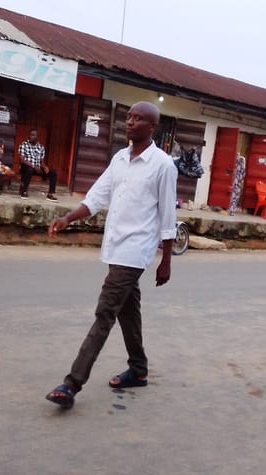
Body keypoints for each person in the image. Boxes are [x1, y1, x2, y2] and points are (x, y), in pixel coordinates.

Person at [45, 101, 178, 409]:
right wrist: (67, 218)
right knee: (128, 311)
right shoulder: (120, 158)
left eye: (139, 118)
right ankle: (139, 369)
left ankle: (71, 384)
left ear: (152, 127)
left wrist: (166, 259)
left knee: (105, 312)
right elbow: (97, 196)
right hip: (116, 246)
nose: (130, 122)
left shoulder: (162, 165)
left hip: (136, 250)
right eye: (129, 116)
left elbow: (168, 215)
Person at [18, 129, 58, 201]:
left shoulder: (41, 147)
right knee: (29, 169)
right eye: (30, 135)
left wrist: (45, 167)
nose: (31, 136)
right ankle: (24, 191)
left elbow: (41, 161)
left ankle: (50, 194)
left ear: (37, 137)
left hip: (37, 168)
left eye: (33, 135)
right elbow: (22, 160)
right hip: (26, 166)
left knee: (53, 172)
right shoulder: (23, 144)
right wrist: (33, 166)